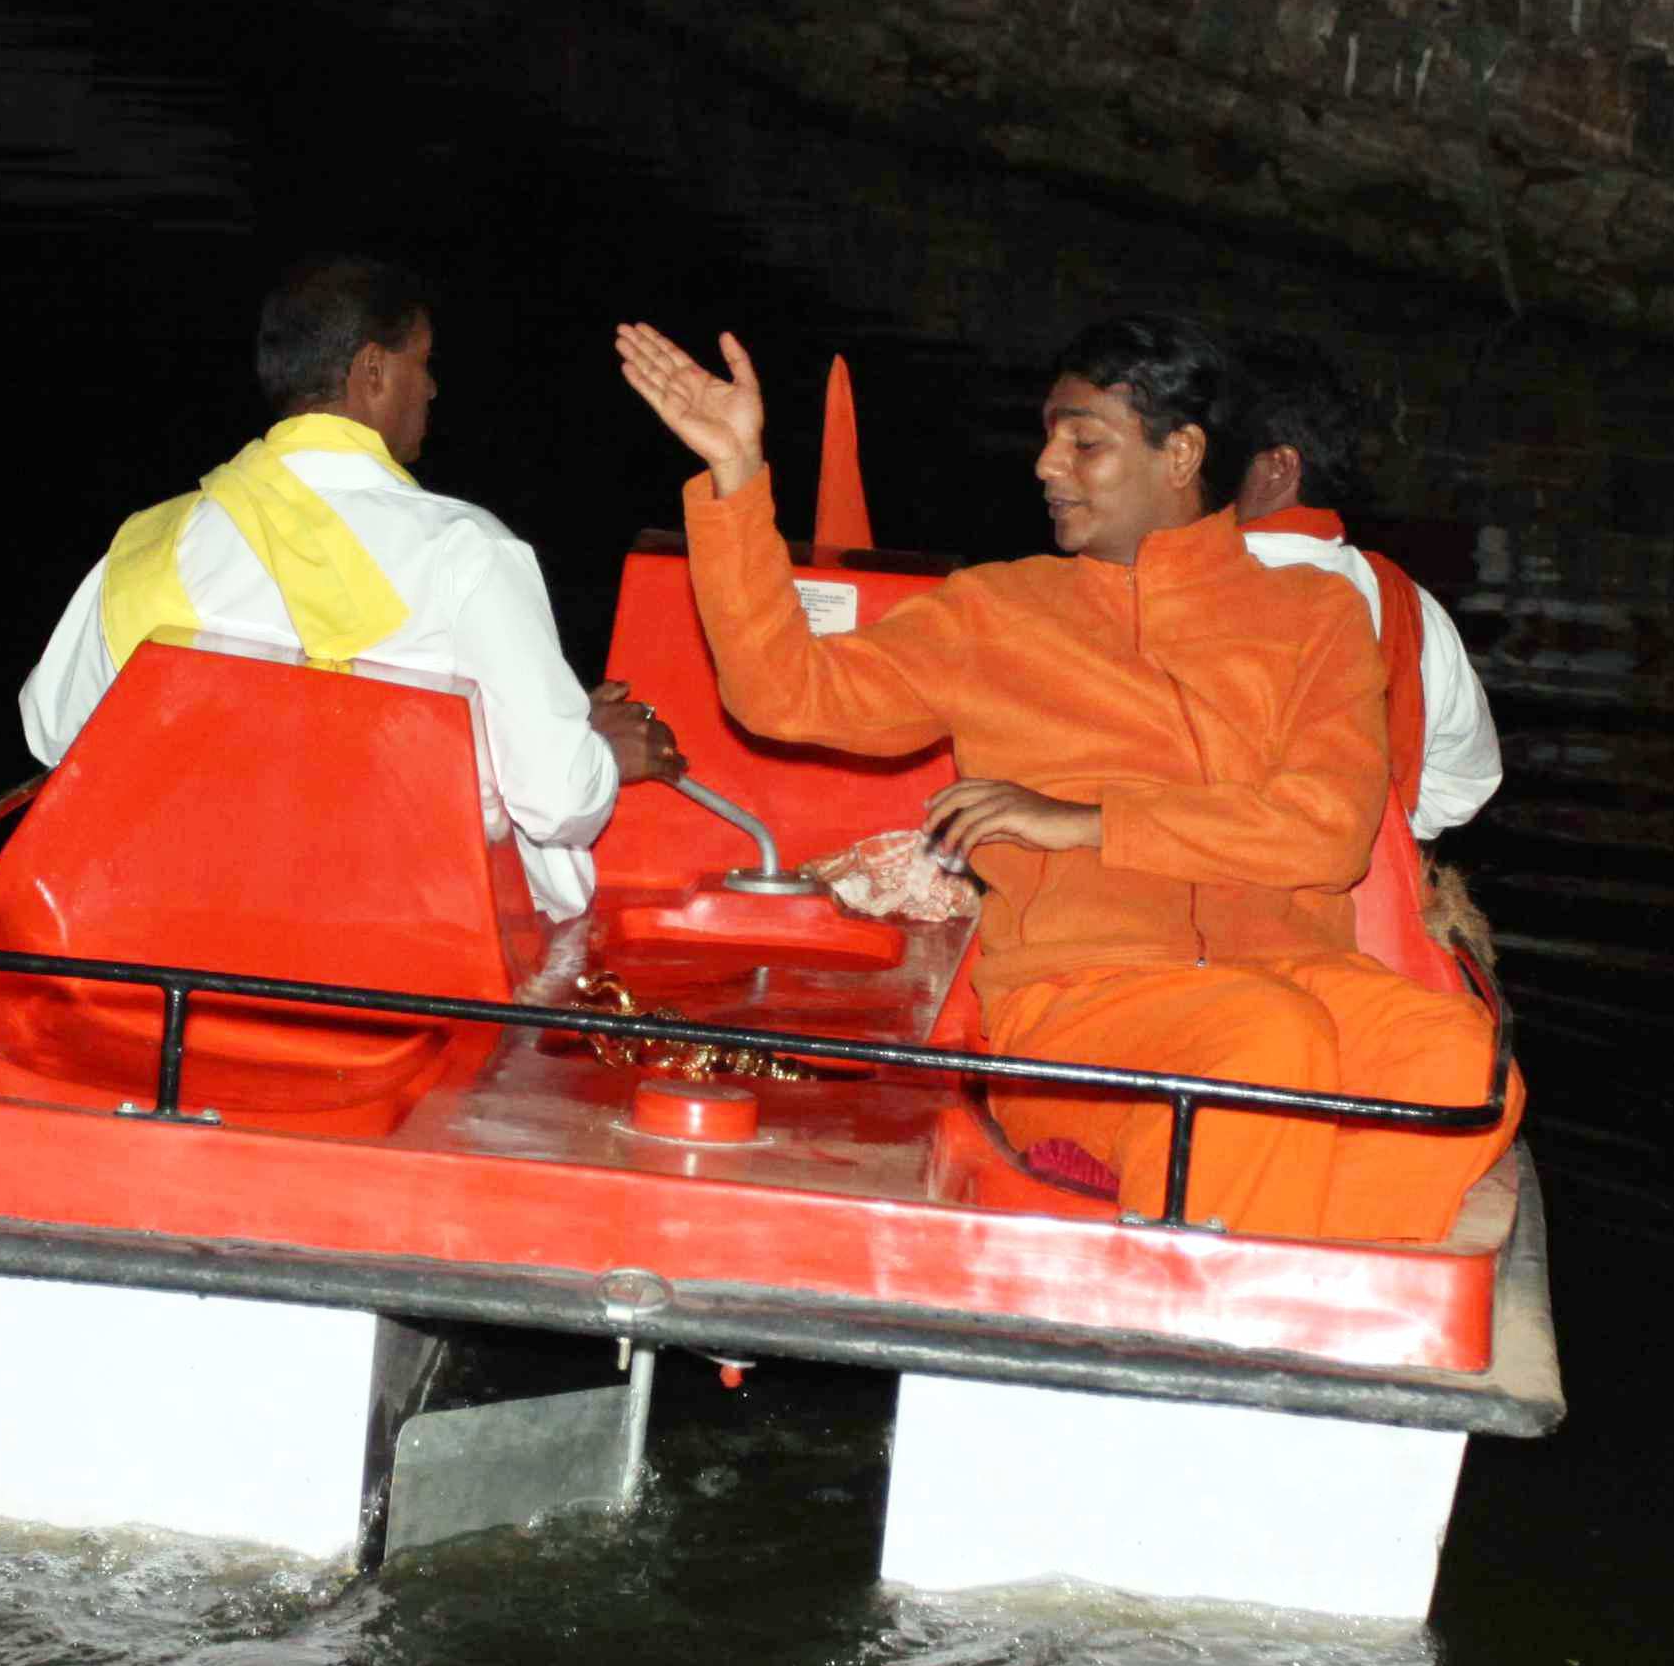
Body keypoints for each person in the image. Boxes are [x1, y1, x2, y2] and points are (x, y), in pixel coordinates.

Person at [606, 314, 1517, 1243]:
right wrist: (736, 474)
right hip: (1080, 999)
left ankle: (1254, 1256)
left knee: (1456, 1063)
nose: (1046, 465)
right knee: (1266, 1046)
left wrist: (1086, 820)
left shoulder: (1314, 613)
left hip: (1296, 972)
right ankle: (1225, 1276)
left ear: (1181, 455)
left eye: (1085, 443)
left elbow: (1327, 835)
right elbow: (785, 694)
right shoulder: (995, 610)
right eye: (1049, 438)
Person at [23, 254, 679, 917]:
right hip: (404, 939)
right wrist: (594, 751)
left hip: (173, 928)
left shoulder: (148, 542)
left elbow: (55, 732)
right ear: (372, 371)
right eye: (422, 362)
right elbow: (557, 799)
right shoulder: (463, 550)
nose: (431, 388)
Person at [1220, 364, 1504, 844]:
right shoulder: (1409, 604)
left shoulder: (1178, 580)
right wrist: (1381, 838)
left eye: (1210, 447)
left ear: (1279, 467)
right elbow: (1467, 781)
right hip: (1352, 880)